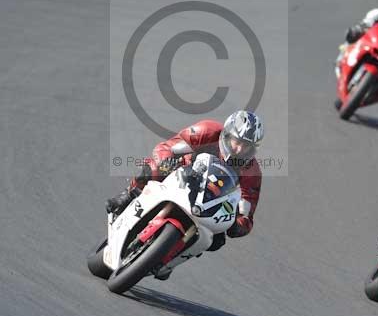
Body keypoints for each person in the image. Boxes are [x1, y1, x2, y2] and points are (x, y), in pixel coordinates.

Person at [106, 110, 264, 279]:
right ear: (227, 134)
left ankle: (170, 257)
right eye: (236, 141)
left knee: (217, 240)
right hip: (184, 174)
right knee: (154, 168)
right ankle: (129, 195)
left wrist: (236, 225)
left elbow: (247, 213)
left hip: (212, 202)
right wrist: (166, 160)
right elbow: (167, 147)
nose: (239, 149)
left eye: (246, 146)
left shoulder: (252, 172)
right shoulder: (207, 130)